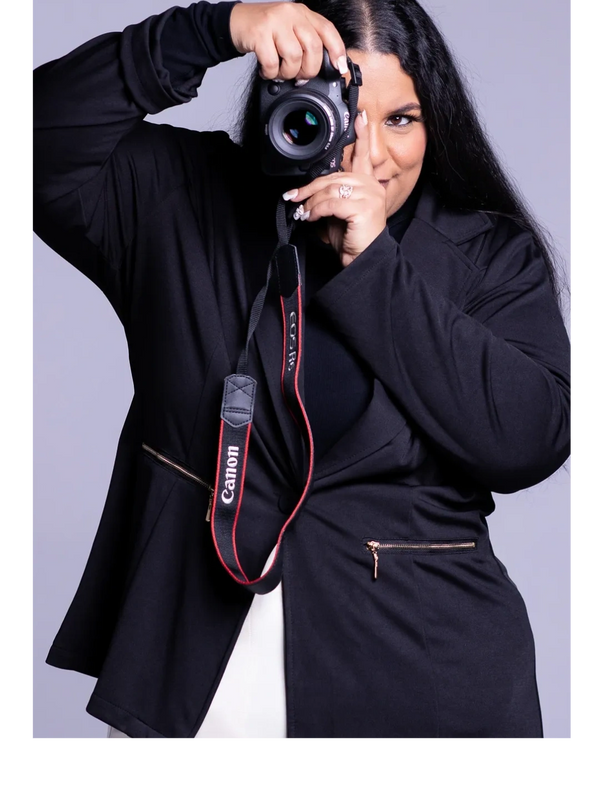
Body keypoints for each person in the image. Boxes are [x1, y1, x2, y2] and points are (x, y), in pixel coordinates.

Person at [30, 0, 574, 742]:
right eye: (345, 113)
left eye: (402, 120)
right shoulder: (181, 204)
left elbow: (530, 437)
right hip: (197, 678)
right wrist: (211, 29)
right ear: (286, 104)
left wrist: (375, 267)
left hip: (430, 680)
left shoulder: (484, 257)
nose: (370, 155)